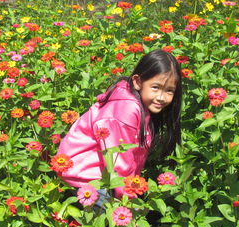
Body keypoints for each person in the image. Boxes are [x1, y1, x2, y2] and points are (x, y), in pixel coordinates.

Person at [56, 49, 183, 199]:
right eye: (155, 87)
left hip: (105, 176)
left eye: (170, 90)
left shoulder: (142, 105)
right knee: (118, 220)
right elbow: (118, 159)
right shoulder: (126, 109)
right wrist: (128, 198)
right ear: (138, 82)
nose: (161, 97)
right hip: (84, 177)